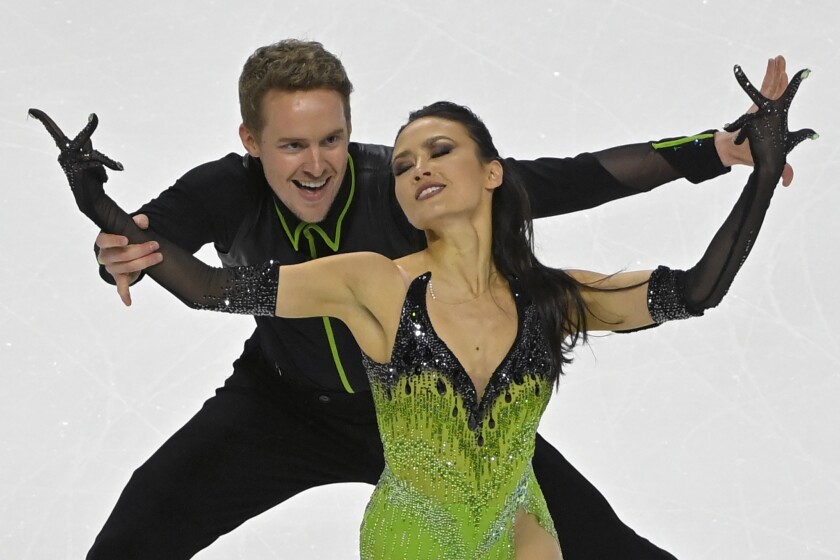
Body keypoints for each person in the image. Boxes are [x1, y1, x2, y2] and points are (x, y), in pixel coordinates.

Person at [30, 60, 815, 558]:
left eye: (332, 139)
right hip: (280, 404)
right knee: (143, 525)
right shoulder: (223, 188)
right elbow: (155, 248)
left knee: (607, 545)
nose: (315, 164)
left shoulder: (409, 190)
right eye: (291, 146)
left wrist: (718, 152)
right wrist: (110, 237)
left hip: (437, 420)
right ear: (251, 141)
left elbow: (576, 178)